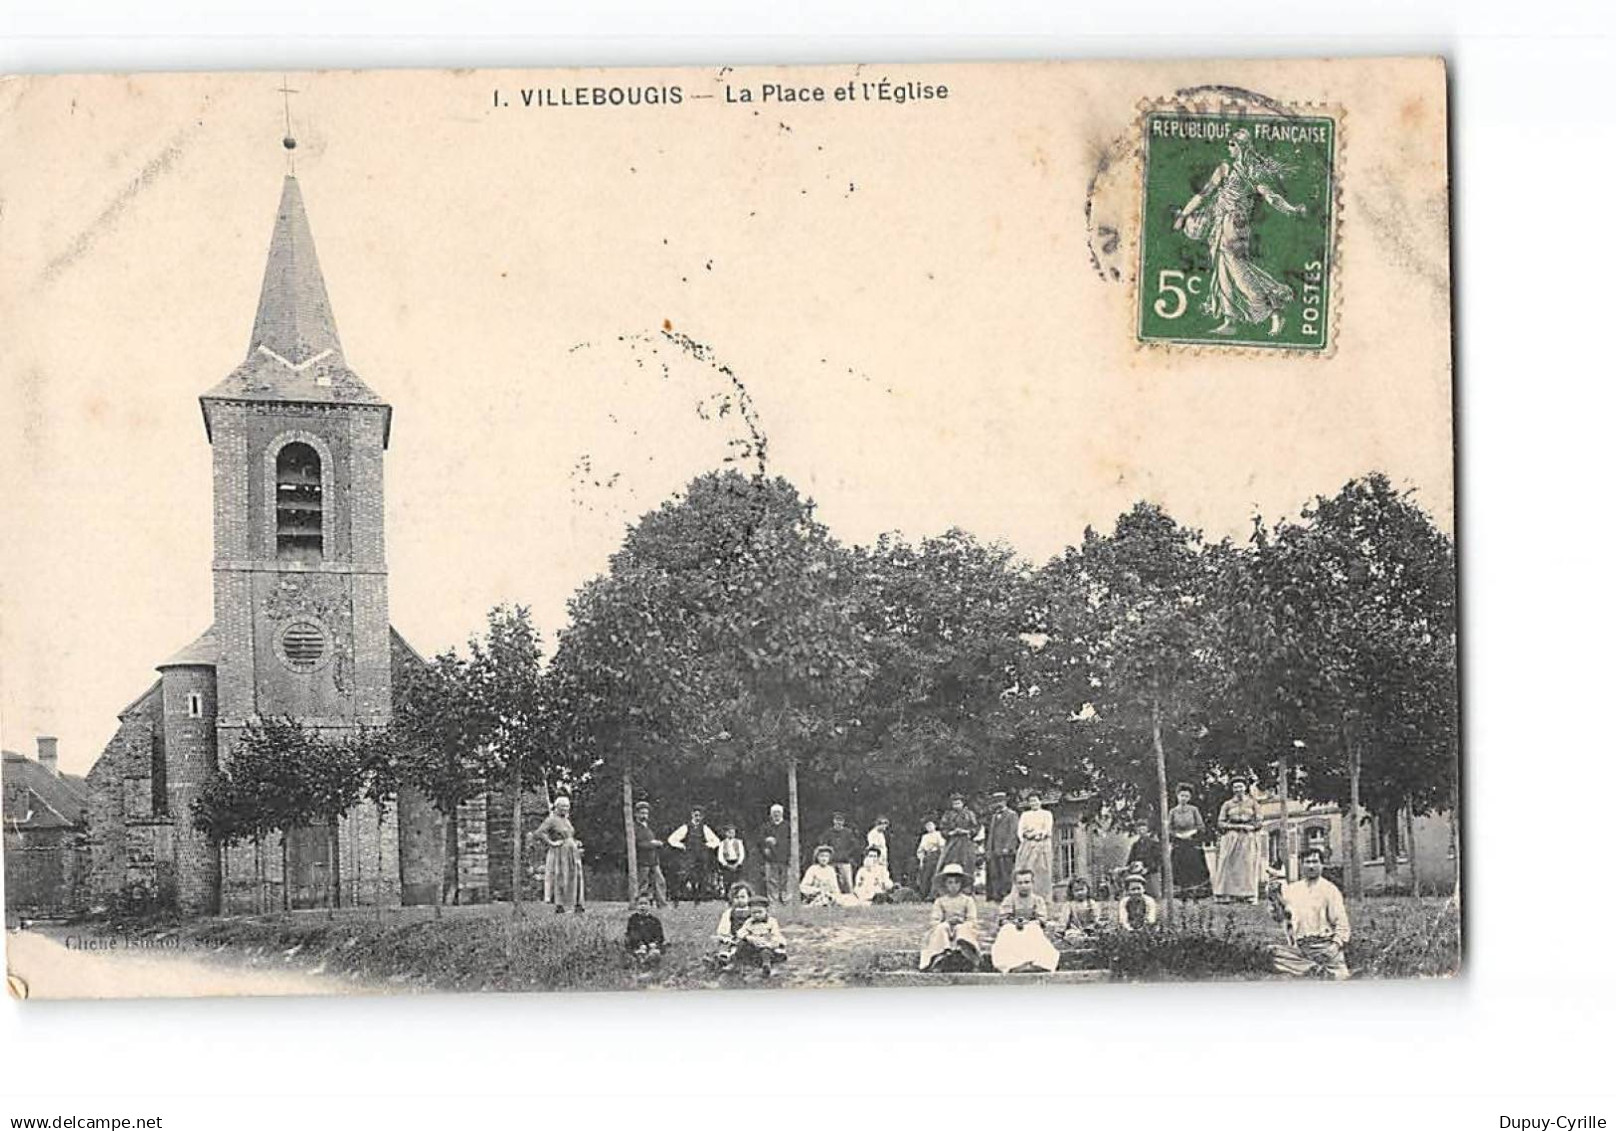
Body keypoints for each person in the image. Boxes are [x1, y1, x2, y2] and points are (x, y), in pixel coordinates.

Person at [1172, 127, 1308, 338]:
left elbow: (1270, 196)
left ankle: (1271, 309)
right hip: (1219, 223)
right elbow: (1204, 194)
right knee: (1222, 270)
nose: (1229, 147)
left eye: (1232, 144)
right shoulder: (1225, 168)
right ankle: (1230, 320)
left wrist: (1291, 209)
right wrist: (1183, 215)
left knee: (1237, 270)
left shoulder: (1251, 172)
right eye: (1229, 144)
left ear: (1242, 147)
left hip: (1234, 225)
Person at [1268, 846, 1351, 980]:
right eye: (1307, 862)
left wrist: (1335, 946)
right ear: (1301, 865)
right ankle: (1315, 969)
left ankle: (1314, 968)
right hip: (1301, 947)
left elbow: (1342, 923)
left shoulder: (1330, 890)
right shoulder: (1293, 889)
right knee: (1272, 953)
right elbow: (1280, 917)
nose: (1311, 866)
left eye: (1315, 862)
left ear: (1322, 865)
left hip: (1324, 945)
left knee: (1340, 974)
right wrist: (1274, 897)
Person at [991, 868, 1060, 973]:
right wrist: (1014, 922)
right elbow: (1004, 918)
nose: (1024, 886)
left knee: (1033, 930)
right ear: (1015, 884)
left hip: (1031, 927)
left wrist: (1030, 922)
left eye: (1027, 882)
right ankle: (1013, 964)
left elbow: (1041, 918)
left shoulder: (1038, 900)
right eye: (1020, 883)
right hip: (1013, 928)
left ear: (1032, 883)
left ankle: (1037, 963)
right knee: (1006, 930)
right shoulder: (1009, 900)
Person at [919, 863, 981, 972]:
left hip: (962, 929)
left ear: (961, 884)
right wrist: (947, 922)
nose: (953, 886)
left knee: (962, 929)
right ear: (945, 884)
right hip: (946, 930)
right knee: (941, 928)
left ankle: (967, 957)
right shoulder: (940, 901)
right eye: (950, 882)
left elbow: (972, 920)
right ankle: (940, 957)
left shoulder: (967, 900)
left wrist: (962, 922)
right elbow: (934, 920)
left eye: (957, 882)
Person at [1213, 780, 1263, 904]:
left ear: (1245, 787)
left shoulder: (1253, 803)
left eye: (1240, 786)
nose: (1238, 789)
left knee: (1247, 864)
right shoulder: (1227, 804)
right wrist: (1233, 827)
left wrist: (1251, 827)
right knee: (1228, 863)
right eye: (1235, 787)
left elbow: (1259, 820)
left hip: (1247, 836)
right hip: (1231, 836)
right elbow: (1220, 822)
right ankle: (1227, 894)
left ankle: (1248, 895)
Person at [535, 794, 585, 914]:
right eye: (563, 806)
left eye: (567, 806)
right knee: (561, 877)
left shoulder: (566, 820)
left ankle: (577, 904)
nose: (566, 809)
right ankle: (560, 905)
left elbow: (569, 835)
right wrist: (551, 843)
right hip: (560, 853)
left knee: (575, 876)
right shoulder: (551, 819)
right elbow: (540, 832)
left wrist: (575, 842)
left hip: (572, 852)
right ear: (557, 807)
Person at [667, 806, 722, 904]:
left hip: (701, 854)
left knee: (702, 874)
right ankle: (679, 895)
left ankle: (700, 896)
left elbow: (716, 841)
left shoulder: (704, 828)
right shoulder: (686, 827)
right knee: (685, 873)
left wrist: (707, 845)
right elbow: (672, 839)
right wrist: (681, 845)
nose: (697, 817)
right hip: (689, 854)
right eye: (696, 815)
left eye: (700, 816)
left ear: (702, 817)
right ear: (692, 815)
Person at [1167, 785, 1212, 901]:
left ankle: (1196, 893)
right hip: (1179, 844)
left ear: (1190, 797)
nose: (1184, 798)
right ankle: (1182, 893)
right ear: (1177, 796)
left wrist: (1191, 833)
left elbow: (1201, 826)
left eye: (1186, 796)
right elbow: (1168, 829)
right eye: (1182, 795)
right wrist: (1177, 835)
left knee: (1194, 867)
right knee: (1180, 868)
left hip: (1192, 842)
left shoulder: (1193, 810)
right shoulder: (1173, 811)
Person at [729, 897, 789, 977]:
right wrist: (748, 937)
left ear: (766, 911)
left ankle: (766, 966)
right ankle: (736, 964)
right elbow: (740, 932)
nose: (757, 915)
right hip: (753, 945)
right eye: (754, 913)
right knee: (741, 945)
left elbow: (775, 935)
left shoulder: (772, 922)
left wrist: (768, 943)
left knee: (766, 952)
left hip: (766, 944)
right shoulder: (749, 922)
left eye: (760, 912)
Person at [1014, 793, 1054, 902]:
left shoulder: (1046, 814)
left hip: (1042, 844)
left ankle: (1044, 896)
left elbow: (1047, 829)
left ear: (1040, 801)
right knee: (1026, 868)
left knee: (1042, 869)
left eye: (1036, 801)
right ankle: (1024, 894)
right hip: (1028, 844)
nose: (1034, 803)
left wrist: (1039, 834)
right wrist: (1027, 836)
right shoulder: (1025, 815)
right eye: (1031, 801)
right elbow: (1020, 831)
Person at [983, 791, 1020, 902]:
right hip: (994, 849)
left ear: (1005, 802)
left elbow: (1013, 832)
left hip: (1005, 850)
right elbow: (991, 834)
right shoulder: (994, 816)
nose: (998, 804)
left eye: (1000, 801)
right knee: (995, 873)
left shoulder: (1012, 815)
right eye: (996, 802)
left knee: (1006, 873)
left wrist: (1008, 847)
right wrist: (989, 849)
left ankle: (1007, 895)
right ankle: (996, 895)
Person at [632, 800, 668, 907]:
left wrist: (656, 843)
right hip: (642, 860)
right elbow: (638, 844)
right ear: (636, 814)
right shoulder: (634, 828)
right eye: (642, 813)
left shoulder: (648, 827)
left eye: (646, 813)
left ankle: (662, 904)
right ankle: (639, 905)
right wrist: (653, 844)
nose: (644, 815)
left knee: (660, 882)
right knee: (643, 884)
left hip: (653, 860)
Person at [938, 794, 978, 881]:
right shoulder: (948, 815)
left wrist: (966, 831)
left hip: (966, 842)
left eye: (958, 803)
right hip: (952, 843)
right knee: (950, 862)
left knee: (967, 863)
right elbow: (943, 829)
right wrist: (951, 833)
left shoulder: (969, 814)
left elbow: (975, 828)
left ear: (963, 803)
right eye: (954, 804)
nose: (956, 806)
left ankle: (967, 886)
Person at [820, 812, 862, 893]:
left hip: (844, 861)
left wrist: (847, 854)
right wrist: (829, 855)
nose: (838, 822)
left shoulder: (848, 832)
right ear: (833, 821)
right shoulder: (828, 833)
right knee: (831, 882)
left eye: (841, 820)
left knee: (847, 883)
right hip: (832, 861)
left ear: (843, 822)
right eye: (837, 820)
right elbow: (824, 845)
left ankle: (849, 899)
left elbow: (855, 845)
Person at [760, 803, 790, 905]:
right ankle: (774, 899)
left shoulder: (787, 826)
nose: (776, 814)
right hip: (771, 857)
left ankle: (785, 899)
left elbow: (792, 840)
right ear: (771, 814)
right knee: (772, 880)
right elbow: (760, 841)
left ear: (782, 814)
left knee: (785, 880)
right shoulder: (766, 826)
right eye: (774, 813)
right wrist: (766, 843)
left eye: (778, 812)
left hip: (785, 856)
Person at [624, 894, 666, 967]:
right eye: (640, 904)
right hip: (637, 945)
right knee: (639, 953)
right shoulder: (633, 919)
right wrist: (640, 944)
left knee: (655, 953)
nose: (643, 906)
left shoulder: (654, 920)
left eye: (645, 904)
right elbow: (632, 933)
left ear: (650, 906)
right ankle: (641, 961)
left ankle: (650, 962)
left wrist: (655, 943)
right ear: (636, 906)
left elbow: (660, 935)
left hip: (651, 945)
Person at [1126, 821, 1163, 898]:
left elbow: (1158, 860)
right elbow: (1131, 859)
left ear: (1147, 830)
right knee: (1139, 895)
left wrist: (1148, 869)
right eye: (1139, 830)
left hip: (1151, 873)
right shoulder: (1135, 845)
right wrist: (1130, 867)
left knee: (1154, 895)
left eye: (1143, 829)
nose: (1141, 832)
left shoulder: (1154, 844)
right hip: (1138, 873)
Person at [915, 818, 945, 899]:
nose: (929, 827)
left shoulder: (938, 834)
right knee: (926, 876)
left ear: (934, 826)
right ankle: (924, 894)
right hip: (928, 856)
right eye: (927, 826)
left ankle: (935, 894)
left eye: (931, 825)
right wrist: (921, 859)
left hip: (936, 856)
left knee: (935, 874)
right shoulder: (925, 837)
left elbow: (942, 846)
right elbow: (921, 849)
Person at [716, 822, 747, 888]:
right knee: (727, 881)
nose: (731, 834)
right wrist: (726, 864)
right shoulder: (722, 843)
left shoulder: (739, 842)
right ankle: (727, 895)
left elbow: (742, 854)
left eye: (733, 832)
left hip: (736, 863)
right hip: (727, 864)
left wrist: (737, 863)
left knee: (736, 880)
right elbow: (720, 856)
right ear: (726, 833)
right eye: (729, 832)